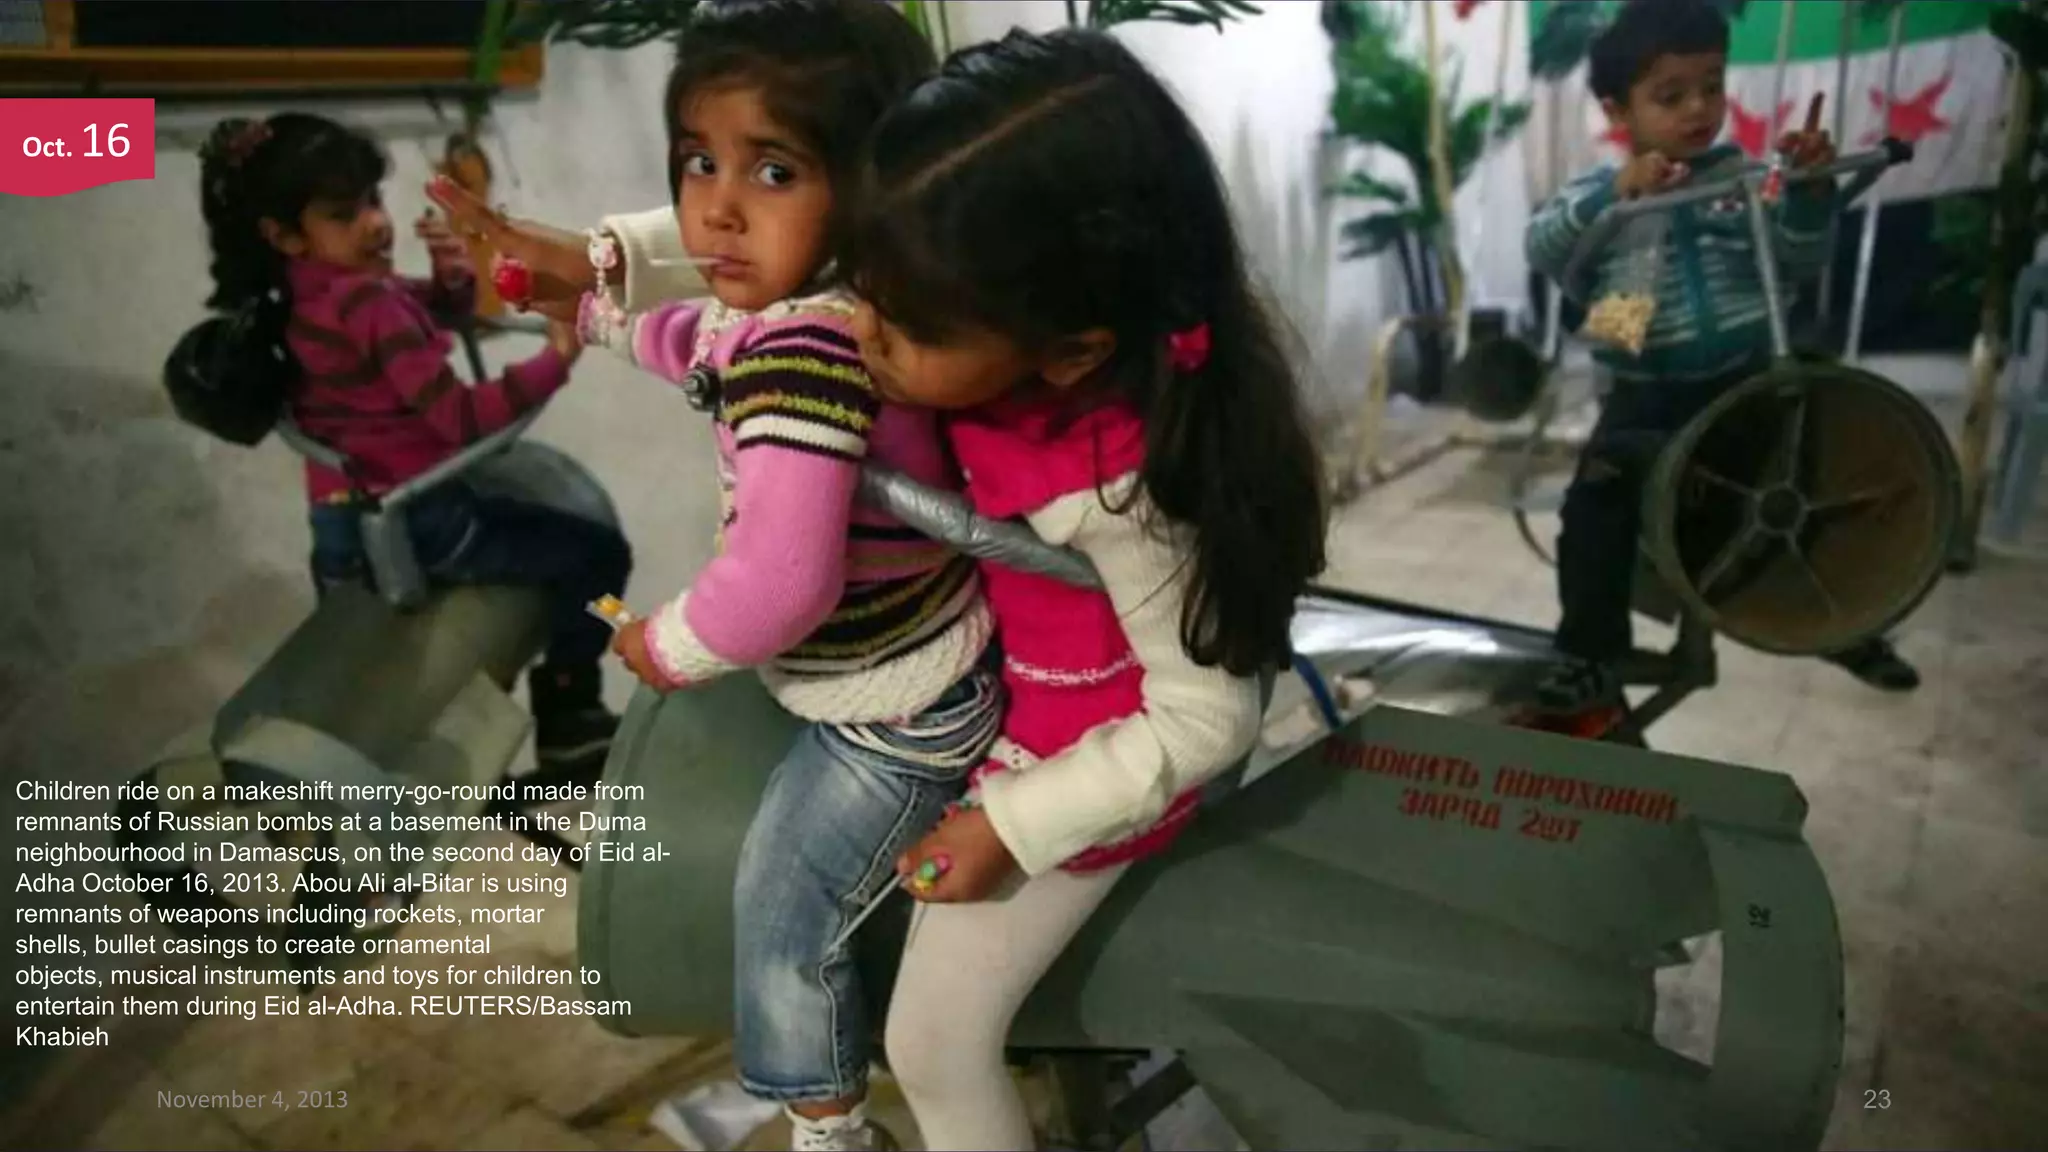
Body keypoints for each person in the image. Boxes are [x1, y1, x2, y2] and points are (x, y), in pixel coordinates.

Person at [508, 3, 997, 1148]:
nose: (716, 208)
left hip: (898, 711)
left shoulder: (805, 356)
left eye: (772, 169)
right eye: (698, 162)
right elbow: (693, 347)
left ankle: (828, 1131)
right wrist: (589, 314)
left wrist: (665, 645)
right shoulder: (796, 319)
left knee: (780, 915)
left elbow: (781, 584)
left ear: (869, 188)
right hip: (883, 661)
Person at [841, 29, 1325, 1150]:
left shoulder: (1118, 493)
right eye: (860, 287)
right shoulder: (974, 296)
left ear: (1069, 351)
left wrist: (1013, 827)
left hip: (1083, 751)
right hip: (999, 685)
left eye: (900, 324)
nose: (859, 331)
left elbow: (1208, 714)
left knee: (932, 1044)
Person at [196, 112, 632, 776]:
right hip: (423, 523)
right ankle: (571, 713)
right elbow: (460, 419)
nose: (375, 222)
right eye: (346, 214)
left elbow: (417, 306)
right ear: (284, 233)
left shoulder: (300, 297)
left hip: (342, 526)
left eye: (372, 201)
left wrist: (451, 279)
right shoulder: (368, 306)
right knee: (598, 554)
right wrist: (557, 357)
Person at [1524, 0, 1918, 714]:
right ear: (1620, 111)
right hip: (1646, 395)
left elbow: (1800, 260)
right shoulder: (1602, 189)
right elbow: (1545, 246)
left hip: (1748, 385)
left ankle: (1839, 623)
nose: (1698, 108)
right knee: (1595, 512)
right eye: (1670, 95)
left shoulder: (1751, 181)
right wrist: (1616, 194)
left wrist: (1808, 194)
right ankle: (1588, 652)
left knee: (1810, 486)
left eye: (1711, 85)